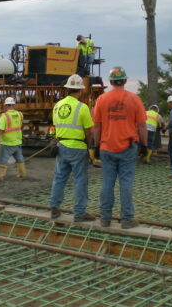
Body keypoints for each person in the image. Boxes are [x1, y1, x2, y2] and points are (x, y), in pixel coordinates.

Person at [94, 66, 147, 229]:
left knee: (107, 183)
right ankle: (126, 219)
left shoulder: (102, 100)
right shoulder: (134, 99)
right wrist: (145, 145)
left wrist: (96, 146)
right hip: (128, 147)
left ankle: (105, 218)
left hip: (106, 147)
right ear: (124, 80)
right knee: (126, 183)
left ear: (110, 81)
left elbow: (97, 126)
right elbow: (142, 126)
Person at [49, 74, 95, 222]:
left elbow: (56, 127)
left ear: (67, 89)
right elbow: (89, 131)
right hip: (78, 147)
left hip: (61, 146)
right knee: (80, 180)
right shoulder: (82, 107)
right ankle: (79, 213)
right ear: (80, 91)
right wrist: (89, 148)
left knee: (59, 178)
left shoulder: (57, 105)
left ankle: (54, 208)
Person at [0, 97, 26, 180]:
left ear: (5, 105)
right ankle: (22, 174)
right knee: (19, 159)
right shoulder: (20, 114)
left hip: (7, 143)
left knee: (2, 160)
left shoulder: (5, 116)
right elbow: (19, 126)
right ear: (14, 105)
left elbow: (0, 129)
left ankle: (0, 176)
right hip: (17, 142)